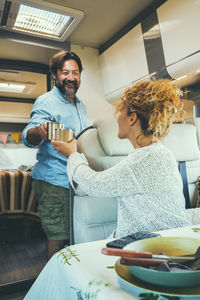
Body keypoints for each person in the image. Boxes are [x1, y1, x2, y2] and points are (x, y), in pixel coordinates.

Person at [51, 79, 193, 238]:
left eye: (120, 110)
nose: (117, 117)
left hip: (153, 247)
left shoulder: (146, 159)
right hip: (161, 241)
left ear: (132, 117)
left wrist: (72, 154)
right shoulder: (157, 153)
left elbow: (94, 185)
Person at [23, 50, 90, 259]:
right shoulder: (46, 101)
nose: (71, 77)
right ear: (54, 75)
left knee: (73, 232)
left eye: (75, 73)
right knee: (57, 235)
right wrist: (39, 131)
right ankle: (51, 283)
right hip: (54, 180)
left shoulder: (80, 104)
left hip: (74, 180)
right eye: (65, 72)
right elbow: (28, 135)